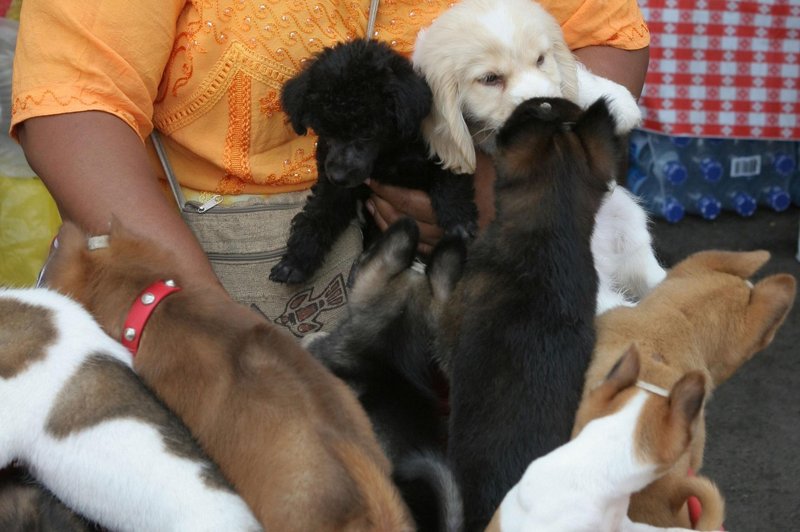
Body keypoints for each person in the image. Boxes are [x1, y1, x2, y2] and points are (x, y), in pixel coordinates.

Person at [11, 0, 650, 336]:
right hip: (194, 272)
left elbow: (597, 35)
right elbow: (76, 106)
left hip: (474, 287)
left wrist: (500, 196)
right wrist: (215, 331)